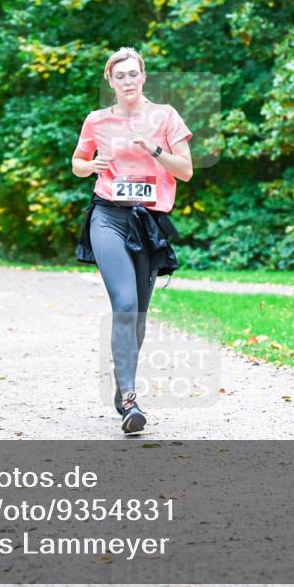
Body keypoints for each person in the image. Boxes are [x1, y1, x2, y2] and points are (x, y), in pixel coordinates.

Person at [71, 47, 193, 434]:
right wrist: (91, 166)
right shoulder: (97, 120)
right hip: (108, 216)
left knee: (137, 314)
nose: (127, 80)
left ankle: (121, 384)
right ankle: (129, 399)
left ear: (143, 76)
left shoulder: (165, 117)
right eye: (119, 75)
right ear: (110, 80)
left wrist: (154, 149)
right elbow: (77, 163)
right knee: (123, 303)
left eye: (132, 74)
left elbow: (186, 171)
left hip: (148, 222)